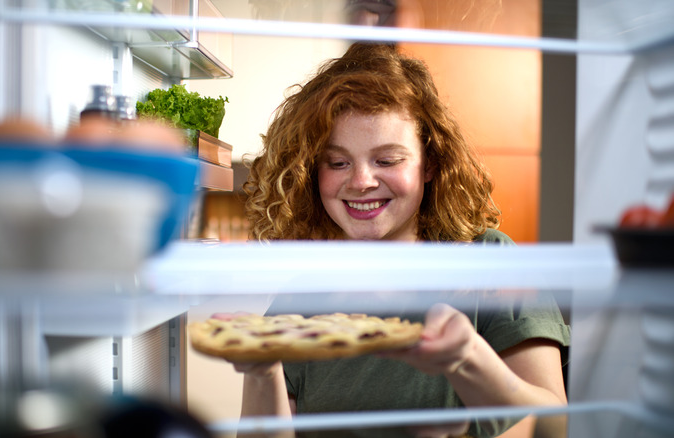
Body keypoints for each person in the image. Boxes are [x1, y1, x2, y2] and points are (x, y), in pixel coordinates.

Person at [238, 42, 570, 437]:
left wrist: (470, 359)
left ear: (429, 164)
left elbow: (555, 424)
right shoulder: (297, 303)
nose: (361, 181)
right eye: (338, 162)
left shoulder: (492, 264)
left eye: (387, 160)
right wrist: (263, 371)